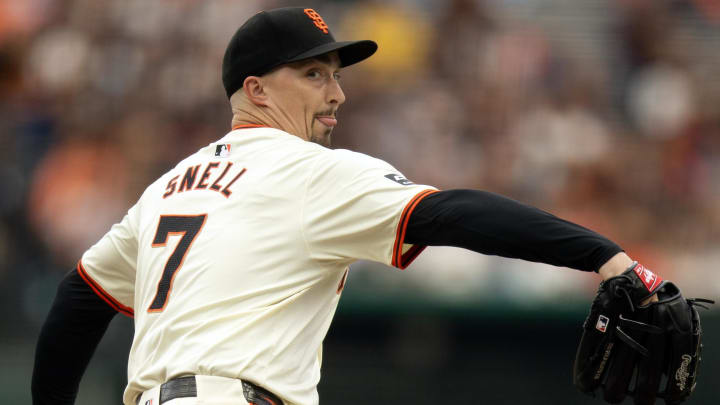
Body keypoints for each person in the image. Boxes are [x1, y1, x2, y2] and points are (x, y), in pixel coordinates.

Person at [32, 7, 653, 405]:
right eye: (314, 75)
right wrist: (606, 257)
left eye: (335, 74)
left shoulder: (169, 185)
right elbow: (453, 213)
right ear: (255, 89)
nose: (337, 93)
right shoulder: (306, 172)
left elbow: (79, 298)